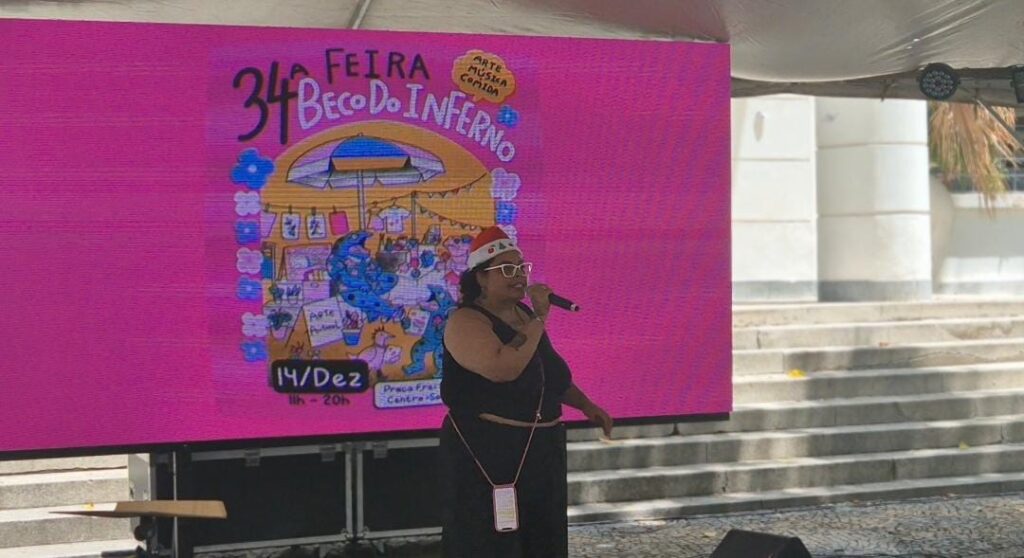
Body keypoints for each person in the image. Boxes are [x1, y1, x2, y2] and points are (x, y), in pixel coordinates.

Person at [438, 226, 613, 558]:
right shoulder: (466, 321)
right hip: (488, 449)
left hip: (542, 448)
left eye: (521, 267)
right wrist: (541, 318)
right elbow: (503, 368)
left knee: (544, 536)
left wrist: (586, 405)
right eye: (507, 269)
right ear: (481, 278)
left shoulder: (525, 316)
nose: (519, 276)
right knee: (489, 540)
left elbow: (549, 375)